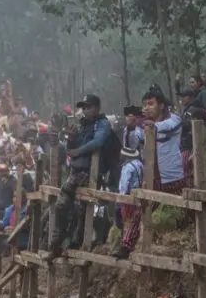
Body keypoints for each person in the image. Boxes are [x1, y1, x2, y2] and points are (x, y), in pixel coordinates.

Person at [48, 94, 111, 260]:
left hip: (92, 173)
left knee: (82, 210)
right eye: (83, 107)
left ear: (97, 108)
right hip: (75, 171)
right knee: (61, 206)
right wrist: (71, 138)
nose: (85, 110)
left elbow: (98, 143)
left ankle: (77, 243)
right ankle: (56, 243)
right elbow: (71, 148)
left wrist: (78, 150)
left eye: (88, 107)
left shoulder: (102, 124)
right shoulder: (81, 125)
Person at [111, 147, 145, 259]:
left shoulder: (127, 167)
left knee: (126, 223)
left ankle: (124, 247)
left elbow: (124, 186)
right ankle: (129, 245)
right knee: (134, 222)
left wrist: (119, 201)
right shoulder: (140, 164)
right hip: (138, 197)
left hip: (128, 198)